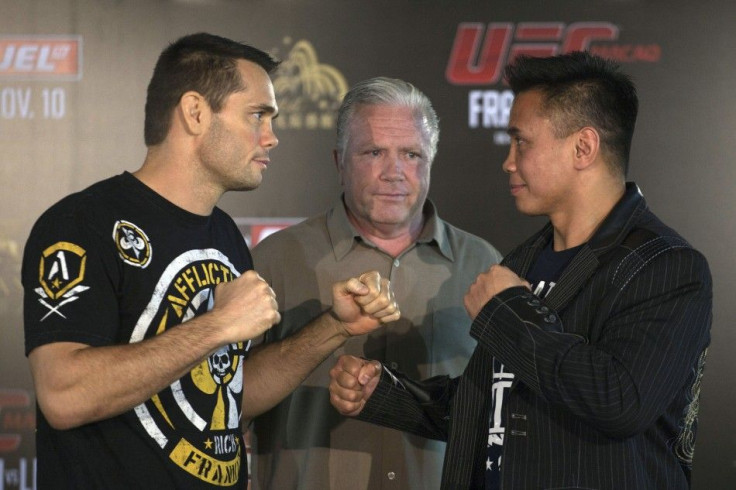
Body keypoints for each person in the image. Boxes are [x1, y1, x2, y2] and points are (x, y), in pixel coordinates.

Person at [22, 33, 399, 490]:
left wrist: (335, 326)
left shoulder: (223, 236)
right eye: (257, 115)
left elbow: (229, 395)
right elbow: (63, 395)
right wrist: (217, 324)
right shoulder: (83, 223)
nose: (272, 136)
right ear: (196, 112)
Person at [329, 52, 713, 489]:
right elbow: (494, 405)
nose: (508, 162)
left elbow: (619, 402)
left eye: (521, 142)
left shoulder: (666, 267)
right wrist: (386, 393)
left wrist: (509, 310)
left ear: (583, 147)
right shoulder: (523, 261)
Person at [248, 77, 502, 489]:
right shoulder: (274, 260)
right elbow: (225, 404)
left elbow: (501, 416)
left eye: (411, 154)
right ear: (339, 161)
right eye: (373, 152)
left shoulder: (483, 264)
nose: (394, 172)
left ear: (430, 162)